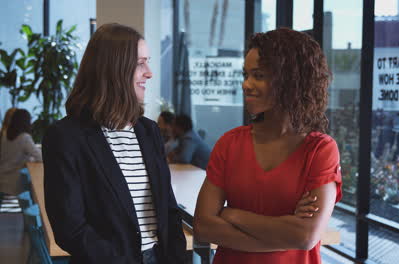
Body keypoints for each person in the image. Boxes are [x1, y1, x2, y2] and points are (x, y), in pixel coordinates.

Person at [193, 27, 342, 263]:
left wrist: (233, 214)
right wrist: (283, 229)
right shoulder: (230, 144)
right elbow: (203, 227)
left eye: (258, 75)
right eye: (245, 75)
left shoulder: (320, 151)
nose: (246, 84)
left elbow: (305, 235)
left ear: (290, 80)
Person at [42, 23, 186, 264]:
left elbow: (168, 210)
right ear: (114, 69)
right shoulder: (65, 137)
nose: (149, 72)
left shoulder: (149, 131)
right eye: (140, 63)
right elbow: (70, 228)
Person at [0, 109, 42, 198]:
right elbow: (40, 157)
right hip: (15, 183)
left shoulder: (3, 135)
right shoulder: (24, 138)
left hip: (2, 178)